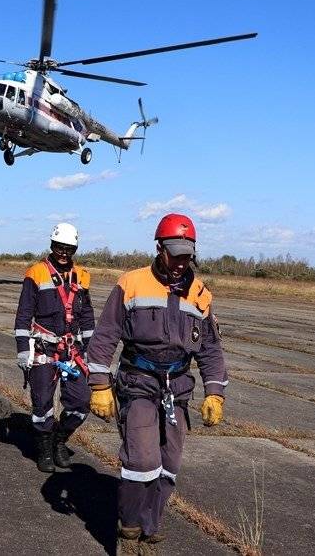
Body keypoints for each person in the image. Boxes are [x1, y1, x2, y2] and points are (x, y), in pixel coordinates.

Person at [84, 213, 228, 554]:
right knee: (142, 461)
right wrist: (100, 384)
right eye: (174, 253)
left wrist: (215, 392)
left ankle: (150, 526)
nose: (180, 263)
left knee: (169, 466)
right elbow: (105, 336)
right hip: (138, 383)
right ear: (159, 248)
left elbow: (210, 349)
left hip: (177, 389)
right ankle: (130, 529)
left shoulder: (200, 294)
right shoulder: (131, 283)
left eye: (186, 255)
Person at [13, 223, 95, 473]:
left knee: (81, 401)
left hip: (73, 351)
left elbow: (88, 315)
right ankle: (45, 447)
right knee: (42, 402)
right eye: (59, 247)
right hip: (43, 350)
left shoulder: (82, 276)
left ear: (75, 249)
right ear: (52, 245)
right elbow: (24, 314)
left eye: (69, 248)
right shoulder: (36, 273)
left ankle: (60, 438)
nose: (63, 253)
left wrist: (93, 350)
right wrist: (22, 349)